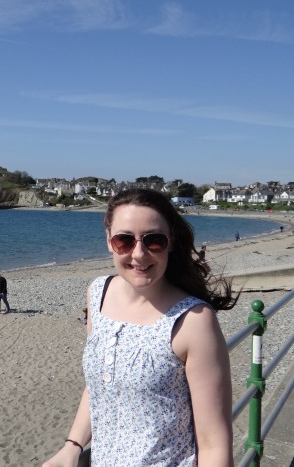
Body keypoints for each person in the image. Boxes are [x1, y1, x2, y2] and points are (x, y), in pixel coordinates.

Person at [42, 189, 238, 467]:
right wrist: (72, 446)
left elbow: (214, 443)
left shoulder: (194, 320)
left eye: (153, 241)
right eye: (124, 240)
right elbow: (99, 385)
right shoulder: (98, 293)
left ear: (170, 242)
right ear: (109, 241)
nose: (139, 254)